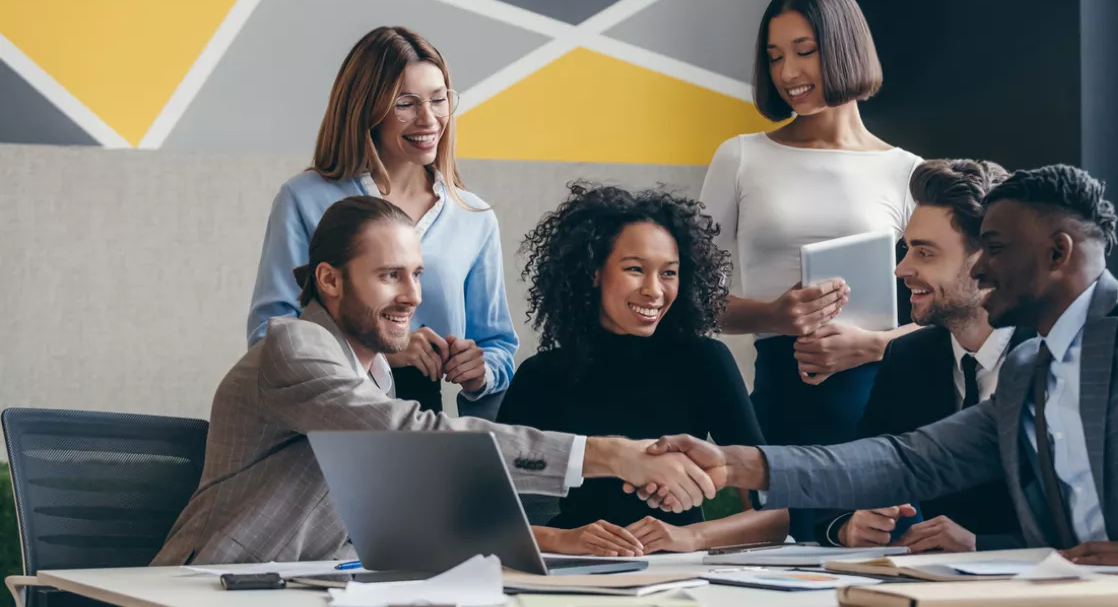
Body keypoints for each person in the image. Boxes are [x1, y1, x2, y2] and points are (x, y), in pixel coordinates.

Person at [639, 165, 1118, 581]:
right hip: (1092, 597)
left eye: (997, 249)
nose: (981, 271)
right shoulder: (1027, 374)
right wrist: (737, 464)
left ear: (1058, 251)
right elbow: (906, 461)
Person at [154, 197, 716, 566]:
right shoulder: (296, 349)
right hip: (213, 586)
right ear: (329, 280)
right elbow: (412, 433)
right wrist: (609, 454)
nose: (414, 297)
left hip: (310, 585)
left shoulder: (372, 372)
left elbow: (407, 514)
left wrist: (557, 540)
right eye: (389, 276)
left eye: (417, 274)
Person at [699, 0, 922, 539]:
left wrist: (872, 345)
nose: (789, 73)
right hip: (780, 398)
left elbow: (961, 316)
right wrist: (774, 316)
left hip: (881, 402)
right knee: (780, 557)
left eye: (805, 51)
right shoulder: (741, 157)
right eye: (775, 57)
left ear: (845, 46)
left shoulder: (908, 172)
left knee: (878, 560)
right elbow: (688, 299)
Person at [496, 183, 788, 557]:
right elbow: (480, 515)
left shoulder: (706, 362)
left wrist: (693, 536)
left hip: (681, 572)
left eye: (669, 273)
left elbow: (776, 515)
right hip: (568, 568)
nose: (654, 290)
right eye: (635, 269)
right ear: (593, 272)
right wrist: (562, 540)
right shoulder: (539, 376)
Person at [247, 26, 513, 414]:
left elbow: (498, 344)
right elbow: (267, 338)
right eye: (405, 103)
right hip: (327, 410)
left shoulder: (474, 217)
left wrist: (481, 369)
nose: (429, 119)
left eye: (438, 100)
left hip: (424, 415)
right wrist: (386, 347)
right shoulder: (304, 199)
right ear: (366, 108)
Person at [812, 159, 1026, 551]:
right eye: (906, 250)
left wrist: (984, 546)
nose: (901, 269)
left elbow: (1101, 527)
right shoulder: (909, 357)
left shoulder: (1057, 354)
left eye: (924, 254)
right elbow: (853, 480)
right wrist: (848, 524)